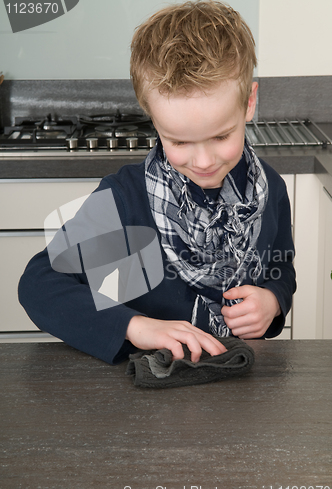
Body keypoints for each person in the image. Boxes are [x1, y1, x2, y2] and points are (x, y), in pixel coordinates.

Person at [18, 1, 296, 365]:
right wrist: (136, 326)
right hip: (150, 396)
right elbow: (39, 285)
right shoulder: (126, 200)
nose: (203, 161)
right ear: (153, 120)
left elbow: (281, 268)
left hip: (239, 385)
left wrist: (273, 300)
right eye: (179, 141)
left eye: (220, 136)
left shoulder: (270, 190)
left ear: (249, 103)